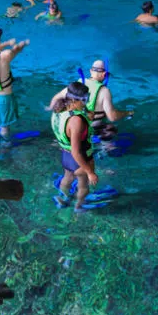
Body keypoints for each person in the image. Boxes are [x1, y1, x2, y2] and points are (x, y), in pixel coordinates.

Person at [50, 60, 134, 141]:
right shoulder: (104, 91)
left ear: (90, 71)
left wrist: (52, 109)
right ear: (104, 74)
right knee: (111, 130)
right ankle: (105, 148)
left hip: (72, 128)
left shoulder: (78, 85)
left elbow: (56, 98)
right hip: (91, 130)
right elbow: (112, 117)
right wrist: (128, 113)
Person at [51, 81, 98, 210]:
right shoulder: (76, 121)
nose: (86, 103)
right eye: (84, 100)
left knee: (68, 177)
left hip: (65, 156)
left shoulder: (58, 110)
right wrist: (90, 172)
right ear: (73, 99)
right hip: (79, 158)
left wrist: (86, 115)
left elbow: (68, 131)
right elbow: (76, 152)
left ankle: (62, 199)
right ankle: (79, 207)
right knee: (84, 185)